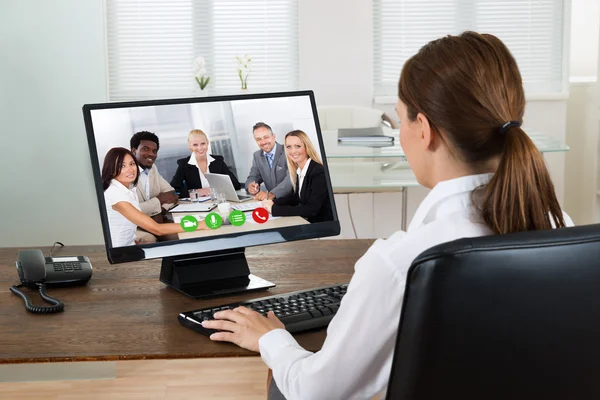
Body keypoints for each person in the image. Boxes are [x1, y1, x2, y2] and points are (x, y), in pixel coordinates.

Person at [200, 32, 575, 399]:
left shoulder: (402, 264)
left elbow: (316, 391)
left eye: (399, 121)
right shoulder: (565, 229)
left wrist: (271, 339)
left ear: (424, 129)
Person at [102, 147, 206, 247]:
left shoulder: (126, 189)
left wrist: (135, 243)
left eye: (132, 164)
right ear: (111, 169)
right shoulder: (116, 195)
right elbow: (157, 229)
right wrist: (200, 224)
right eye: (122, 166)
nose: (130, 169)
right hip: (121, 253)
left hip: (131, 245)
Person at [260, 130, 333, 223]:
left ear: (307, 147)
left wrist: (274, 210)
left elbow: (312, 209)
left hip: (321, 225)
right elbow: (296, 197)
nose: (293, 151)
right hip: (307, 222)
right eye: (289, 147)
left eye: (298, 146)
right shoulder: (301, 170)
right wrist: (273, 202)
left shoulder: (318, 172)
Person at [130, 131, 179, 243]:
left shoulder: (152, 169)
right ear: (134, 151)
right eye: (145, 149)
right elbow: (130, 210)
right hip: (134, 225)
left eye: (154, 151)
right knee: (149, 240)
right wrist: (159, 200)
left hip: (157, 221)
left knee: (183, 234)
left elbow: (171, 194)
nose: (151, 154)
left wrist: (159, 211)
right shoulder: (125, 173)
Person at [170, 129, 241, 198]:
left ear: (207, 143)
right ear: (190, 146)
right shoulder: (184, 164)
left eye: (203, 143)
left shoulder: (218, 161)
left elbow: (236, 185)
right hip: (198, 205)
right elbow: (172, 190)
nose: (200, 148)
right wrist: (195, 192)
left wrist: (216, 190)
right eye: (195, 145)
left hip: (218, 201)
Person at [245, 122, 293, 201]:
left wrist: (271, 194)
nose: (263, 142)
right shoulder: (257, 156)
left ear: (274, 137)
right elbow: (253, 176)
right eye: (258, 139)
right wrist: (250, 186)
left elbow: (291, 178)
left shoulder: (288, 151)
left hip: (292, 201)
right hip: (272, 203)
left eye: (266, 137)